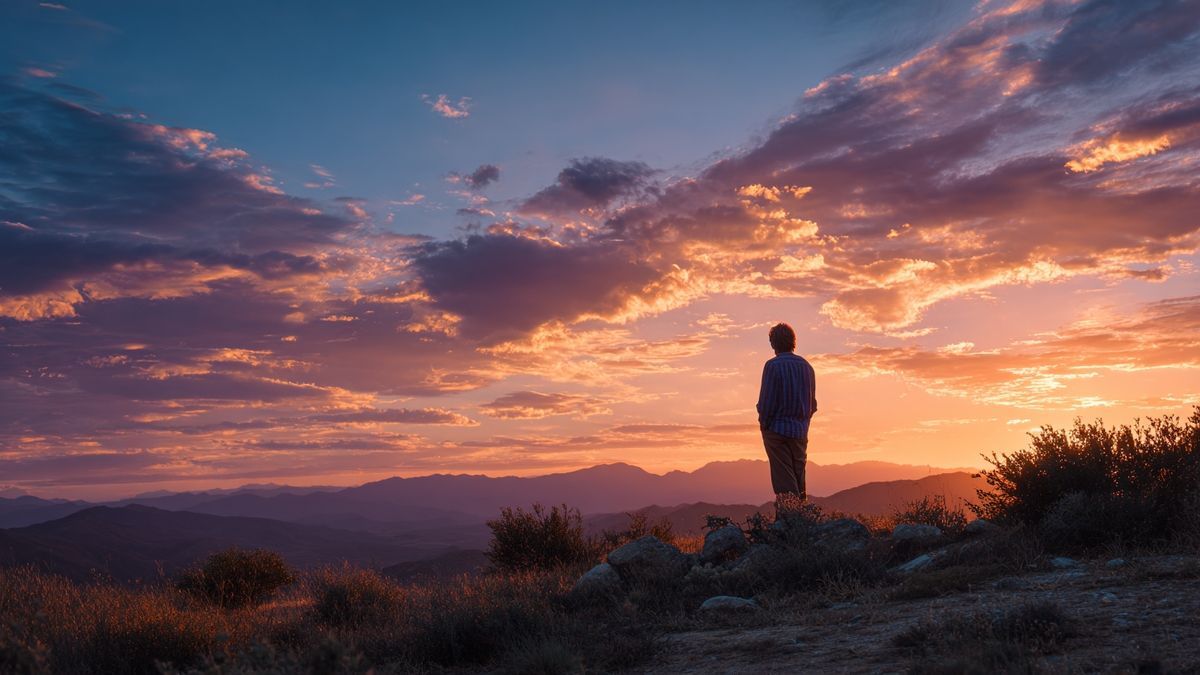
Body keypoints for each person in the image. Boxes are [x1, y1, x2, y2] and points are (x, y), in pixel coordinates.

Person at [756, 322, 817, 502]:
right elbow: (812, 404)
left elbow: (767, 402)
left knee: (783, 477)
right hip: (800, 431)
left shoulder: (772, 366)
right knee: (799, 474)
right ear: (793, 342)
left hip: (777, 430)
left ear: (773, 343)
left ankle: (790, 517)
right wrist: (803, 422)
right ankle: (802, 516)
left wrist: (764, 424)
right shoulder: (807, 367)